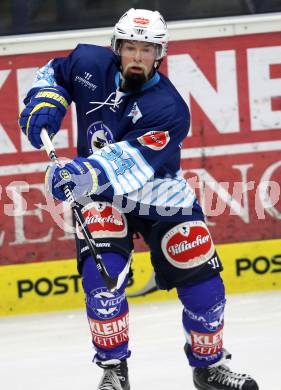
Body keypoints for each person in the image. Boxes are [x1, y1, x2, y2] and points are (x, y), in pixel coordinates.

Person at [19, 8, 259, 390]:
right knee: (103, 277)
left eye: (147, 50)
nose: (138, 57)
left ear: (159, 54)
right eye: (131, 47)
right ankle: (114, 369)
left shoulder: (170, 109)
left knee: (205, 284)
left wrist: (81, 172)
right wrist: (46, 100)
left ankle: (209, 366)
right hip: (100, 195)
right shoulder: (88, 62)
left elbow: (129, 161)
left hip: (158, 192)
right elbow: (55, 73)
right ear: (117, 47)